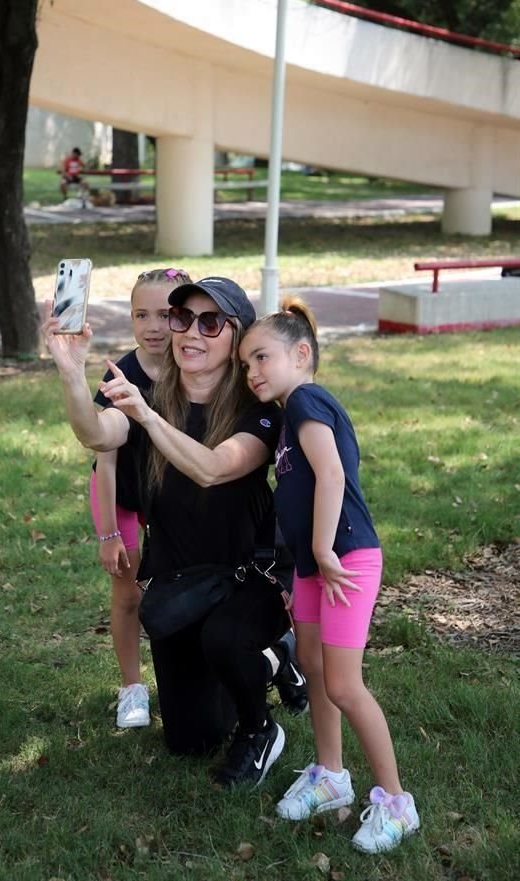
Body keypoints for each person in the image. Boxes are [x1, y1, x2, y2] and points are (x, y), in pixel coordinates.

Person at [43, 277, 303, 788]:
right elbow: (97, 434)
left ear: (236, 337)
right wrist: (72, 375)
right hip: (181, 580)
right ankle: (268, 664)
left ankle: (262, 725)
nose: (188, 332)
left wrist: (146, 414)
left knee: (225, 639)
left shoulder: (260, 412)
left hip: (248, 575)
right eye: (181, 319)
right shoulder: (151, 397)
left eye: (210, 323)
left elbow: (210, 467)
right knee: (192, 739)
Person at [239, 297, 420, 852]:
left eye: (262, 357)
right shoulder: (291, 413)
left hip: (344, 561)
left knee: (343, 683)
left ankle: (396, 803)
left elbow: (333, 473)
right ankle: (330, 775)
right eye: (246, 365)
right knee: (314, 668)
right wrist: (303, 564)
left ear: (301, 353)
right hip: (316, 567)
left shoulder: (308, 399)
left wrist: (321, 549)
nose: (252, 373)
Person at [90, 267, 191, 729]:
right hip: (125, 496)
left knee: (185, 585)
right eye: (140, 314)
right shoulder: (119, 375)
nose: (153, 326)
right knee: (127, 592)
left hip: (172, 497)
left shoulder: (194, 366)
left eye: (165, 314)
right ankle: (132, 686)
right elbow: (105, 463)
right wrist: (109, 533)